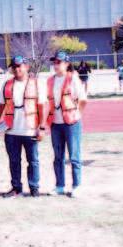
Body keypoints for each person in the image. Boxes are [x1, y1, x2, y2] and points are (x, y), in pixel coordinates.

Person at [0, 55, 47, 197]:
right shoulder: (7, 85)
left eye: (19, 66)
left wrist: (42, 128)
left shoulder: (37, 84)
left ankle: (34, 188)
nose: (16, 69)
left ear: (26, 67)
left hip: (30, 131)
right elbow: (0, 106)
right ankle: (16, 188)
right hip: (11, 132)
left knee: (33, 161)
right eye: (14, 67)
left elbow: (43, 106)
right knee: (14, 161)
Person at [47, 51, 87, 197]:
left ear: (66, 63)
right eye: (54, 62)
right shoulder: (50, 80)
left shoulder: (73, 78)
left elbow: (82, 99)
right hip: (55, 124)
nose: (56, 65)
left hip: (71, 123)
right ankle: (59, 186)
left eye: (59, 62)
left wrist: (78, 114)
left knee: (74, 156)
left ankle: (77, 186)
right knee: (58, 157)